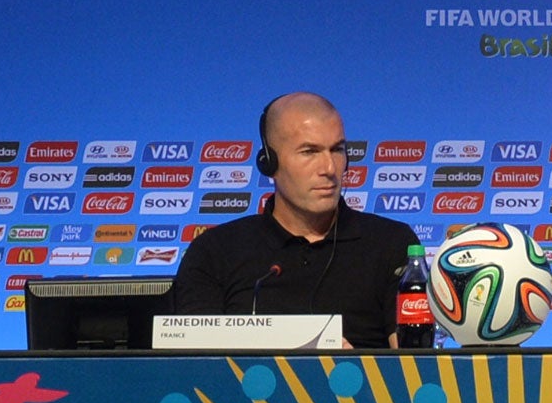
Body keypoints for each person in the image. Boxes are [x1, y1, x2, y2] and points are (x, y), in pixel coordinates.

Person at [170, 92, 417, 349]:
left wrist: (357, 368)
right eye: (309, 151)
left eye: (337, 150)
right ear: (269, 163)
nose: (330, 169)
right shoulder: (214, 252)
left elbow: (413, 365)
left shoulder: (393, 243)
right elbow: (195, 367)